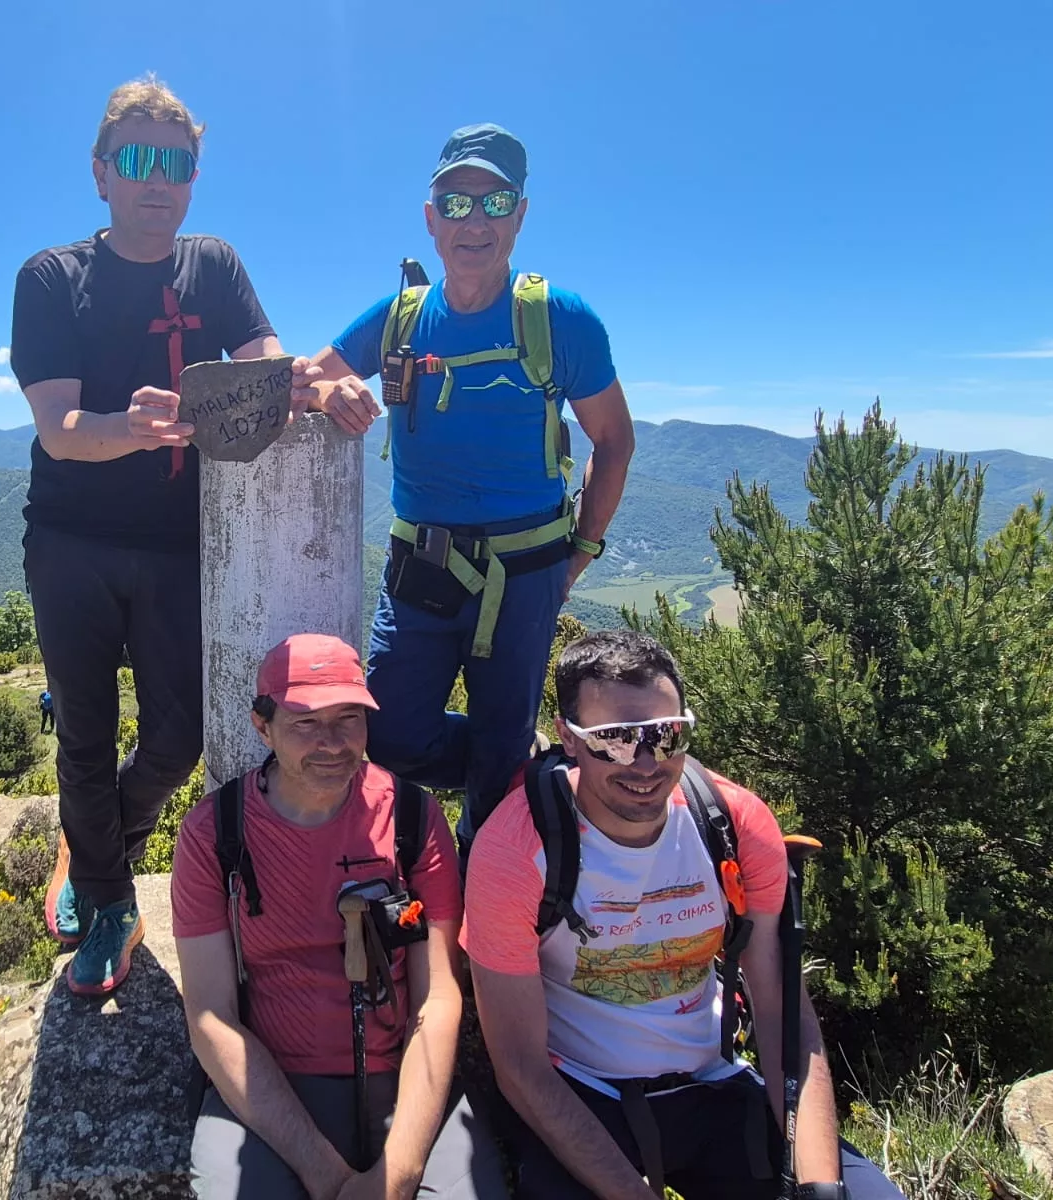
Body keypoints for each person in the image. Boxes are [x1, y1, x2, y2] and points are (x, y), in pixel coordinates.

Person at [11, 75, 299, 995]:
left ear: (194, 176)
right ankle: (108, 898)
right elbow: (58, 429)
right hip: (74, 540)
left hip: (180, 544)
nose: (156, 179)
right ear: (100, 174)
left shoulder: (213, 267)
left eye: (175, 162)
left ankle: (96, 842)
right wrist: (127, 427)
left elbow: (266, 369)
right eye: (135, 160)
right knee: (86, 734)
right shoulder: (54, 278)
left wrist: (311, 387)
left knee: (176, 739)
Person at [463, 630, 904, 1200]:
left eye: (667, 736)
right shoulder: (518, 851)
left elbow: (782, 1014)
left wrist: (820, 1185)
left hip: (715, 1084)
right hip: (583, 1095)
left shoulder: (732, 823)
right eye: (615, 740)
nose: (645, 763)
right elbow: (521, 1068)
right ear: (570, 739)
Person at [294, 123, 635, 856]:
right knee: (388, 733)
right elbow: (309, 375)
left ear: (520, 214)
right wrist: (330, 395)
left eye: (494, 201)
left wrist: (581, 551)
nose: (473, 221)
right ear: (430, 218)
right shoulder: (402, 317)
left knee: (500, 754)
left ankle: (485, 890)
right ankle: (515, 772)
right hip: (423, 564)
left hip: (528, 569)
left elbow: (615, 440)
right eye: (455, 203)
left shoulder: (558, 319)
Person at [172, 633, 506, 1200]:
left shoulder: (410, 818)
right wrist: (325, 1176)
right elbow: (210, 1014)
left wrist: (397, 1174)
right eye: (304, 722)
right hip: (273, 1090)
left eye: (349, 718)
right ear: (263, 725)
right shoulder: (216, 835)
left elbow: (438, 997)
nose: (331, 744)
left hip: (404, 1079)